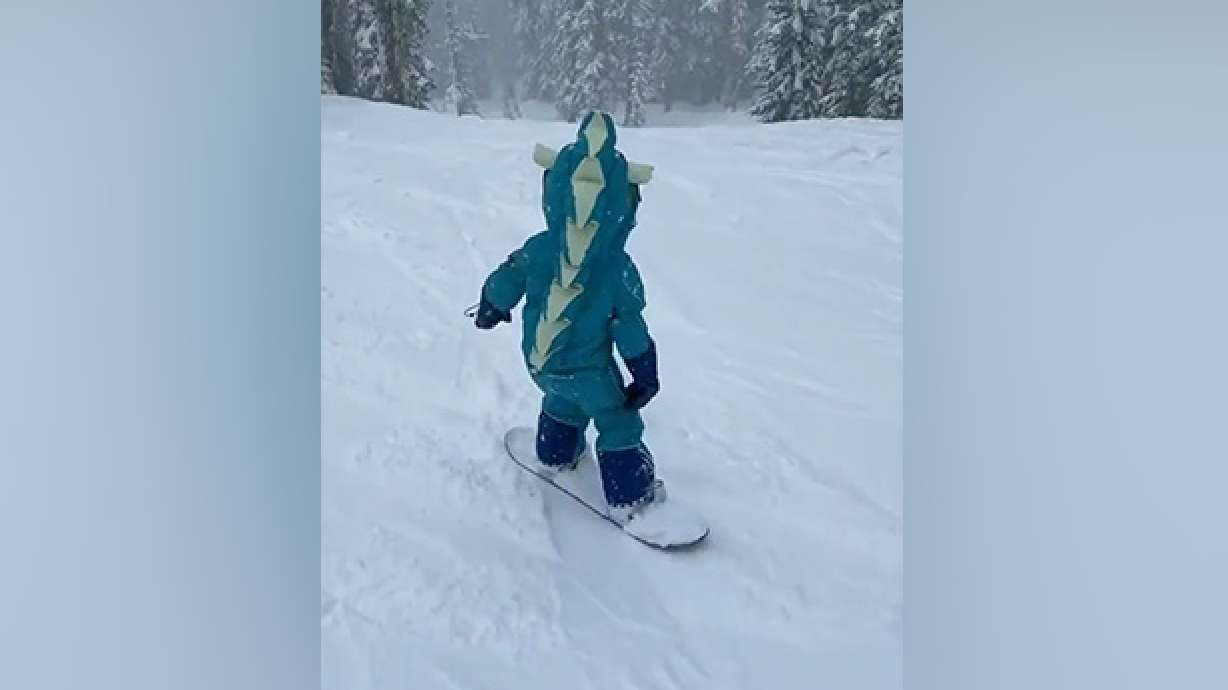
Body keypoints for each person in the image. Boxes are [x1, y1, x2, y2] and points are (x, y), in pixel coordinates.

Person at [471, 111, 661, 525]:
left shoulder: (540, 247)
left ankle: (555, 449)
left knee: (562, 398)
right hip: (589, 372)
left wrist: (491, 304)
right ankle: (630, 495)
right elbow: (629, 326)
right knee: (617, 418)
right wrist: (644, 371)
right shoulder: (618, 268)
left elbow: (509, 275)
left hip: (541, 364)